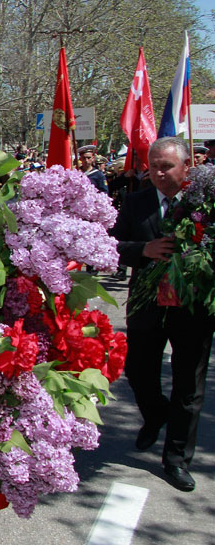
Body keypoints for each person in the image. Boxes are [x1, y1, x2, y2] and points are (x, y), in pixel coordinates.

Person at [110, 136, 214, 492]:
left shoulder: (206, 203)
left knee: (189, 387)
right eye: (153, 165)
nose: (158, 172)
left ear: (187, 167)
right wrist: (144, 249)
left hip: (193, 309)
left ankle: (176, 459)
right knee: (138, 372)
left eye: (166, 166)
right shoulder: (136, 202)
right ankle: (155, 415)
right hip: (146, 304)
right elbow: (112, 246)